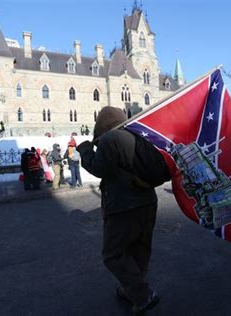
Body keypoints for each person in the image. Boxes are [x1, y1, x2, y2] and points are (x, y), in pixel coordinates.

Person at [77, 106, 159, 315]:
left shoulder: (110, 139)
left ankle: (142, 295)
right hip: (148, 200)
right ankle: (130, 290)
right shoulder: (138, 136)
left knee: (113, 254)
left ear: (102, 126)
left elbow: (98, 168)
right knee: (139, 249)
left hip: (124, 205)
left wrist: (85, 149)